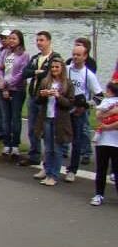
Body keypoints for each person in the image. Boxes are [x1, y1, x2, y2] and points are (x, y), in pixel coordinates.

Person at [32, 58, 74, 187]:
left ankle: (53, 175)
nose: (54, 69)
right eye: (52, 67)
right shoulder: (45, 81)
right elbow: (37, 101)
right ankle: (48, 171)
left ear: (62, 68)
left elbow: (69, 104)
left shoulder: (67, 83)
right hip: (47, 118)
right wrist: (42, 95)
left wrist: (58, 96)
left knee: (57, 149)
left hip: (60, 121)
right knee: (49, 148)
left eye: (57, 67)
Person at [65, 43, 103, 182]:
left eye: (78, 55)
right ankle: (50, 166)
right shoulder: (66, 69)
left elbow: (99, 97)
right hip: (64, 108)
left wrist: (85, 106)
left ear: (85, 56)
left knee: (77, 141)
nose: (75, 57)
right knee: (58, 138)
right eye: (73, 54)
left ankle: (72, 170)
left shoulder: (89, 75)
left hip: (78, 112)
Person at [21, 31, 59, 167]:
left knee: (47, 129)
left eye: (42, 40)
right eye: (37, 40)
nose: (39, 43)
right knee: (32, 127)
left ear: (49, 41)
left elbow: (51, 73)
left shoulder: (55, 58)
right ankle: (34, 154)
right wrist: (35, 72)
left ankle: (50, 157)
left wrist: (39, 73)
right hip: (33, 95)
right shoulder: (36, 57)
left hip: (45, 98)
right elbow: (25, 73)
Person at [0, 30, 28, 157]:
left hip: (17, 89)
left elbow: (21, 73)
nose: (11, 41)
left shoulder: (24, 55)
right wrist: (2, 84)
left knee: (15, 117)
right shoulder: (4, 53)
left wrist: (9, 85)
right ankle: (6, 143)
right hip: (3, 88)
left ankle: (15, 144)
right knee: (6, 117)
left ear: (20, 40)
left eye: (14, 38)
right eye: (10, 38)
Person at [90, 80, 118, 206]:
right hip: (103, 141)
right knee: (101, 169)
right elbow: (98, 115)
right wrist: (112, 112)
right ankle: (98, 194)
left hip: (116, 141)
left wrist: (108, 126)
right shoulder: (105, 101)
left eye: (108, 90)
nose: (106, 92)